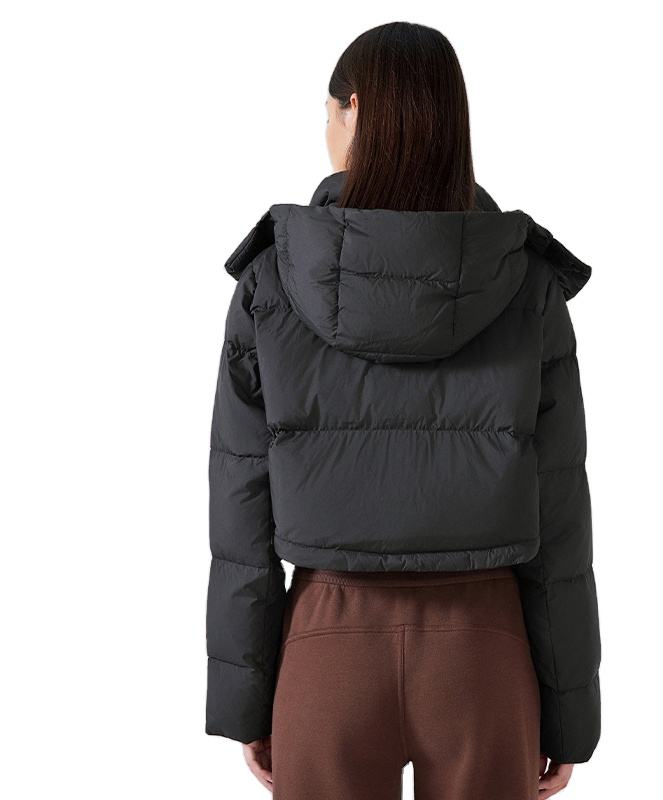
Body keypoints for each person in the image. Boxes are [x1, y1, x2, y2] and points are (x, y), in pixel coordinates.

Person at [205, 21, 600, 800]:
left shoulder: (272, 280)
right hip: (485, 647)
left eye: (328, 111)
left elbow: (240, 507)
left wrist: (247, 699)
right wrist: (568, 714)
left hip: (326, 640)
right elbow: (561, 512)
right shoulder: (526, 281)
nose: (326, 129)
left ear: (354, 109)